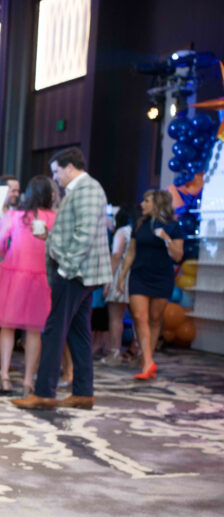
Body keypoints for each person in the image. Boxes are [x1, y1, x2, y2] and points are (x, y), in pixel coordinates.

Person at [14, 147, 112, 410]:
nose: (55, 177)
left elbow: (84, 235)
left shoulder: (88, 189)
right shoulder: (80, 190)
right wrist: (50, 237)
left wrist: (65, 269)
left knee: (54, 331)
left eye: (57, 171)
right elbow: (75, 232)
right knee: (79, 334)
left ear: (70, 167)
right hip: (78, 272)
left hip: (75, 273)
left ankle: (45, 392)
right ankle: (83, 392)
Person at [0, 176, 58, 395]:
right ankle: (28, 380)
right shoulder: (55, 218)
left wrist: (7, 251)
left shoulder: (15, 216)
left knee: (7, 328)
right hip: (41, 277)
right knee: (34, 331)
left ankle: (4, 376)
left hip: (13, 275)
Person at [116, 189, 184, 379]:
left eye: (147, 201)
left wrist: (166, 239)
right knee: (139, 317)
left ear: (157, 203)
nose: (142, 204)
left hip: (161, 277)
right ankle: (147, 361)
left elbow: (178, 256)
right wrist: (122, 277)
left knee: (155, 319)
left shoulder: (173, 227)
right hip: (139, 275)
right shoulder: (139, 224)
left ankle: (148, 359)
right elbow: (131, 253)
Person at [102, 207, 133, 365]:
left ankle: (115, 352)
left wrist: (108, 281)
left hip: (120, 275)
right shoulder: (136, 231)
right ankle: (137, 351)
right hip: (135, 276)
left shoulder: (122, 232)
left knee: (115, 317)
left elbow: (116, 256)